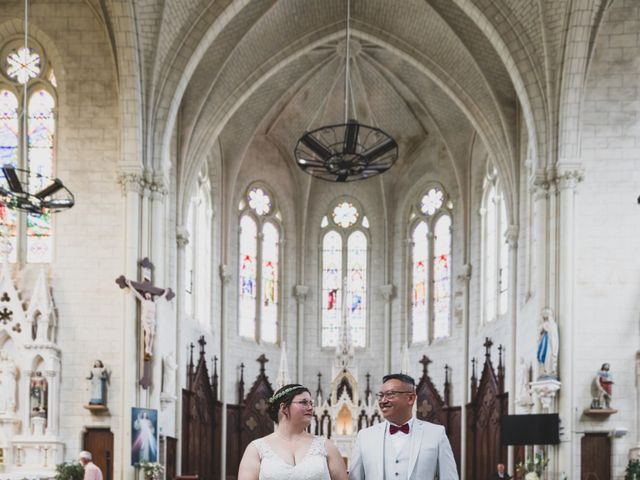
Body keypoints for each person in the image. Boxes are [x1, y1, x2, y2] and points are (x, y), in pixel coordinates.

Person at [349, 373, 458, 480]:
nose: (383, 401)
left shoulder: (436, 435)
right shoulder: (365, 436)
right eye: (381, 395)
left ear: (410, 398)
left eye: (390, 394)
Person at [238, 383, 348, 480]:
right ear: (284, 408)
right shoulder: (256, 449)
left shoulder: (326, 446)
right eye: (304, 402)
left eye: (311, 403)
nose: (310, 408)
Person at [126, 279, 169, 358]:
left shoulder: (154, 302)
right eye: (146, 294)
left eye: (148, 294)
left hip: (152, 321)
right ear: (145, 296)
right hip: (145, 320)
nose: (147, 295)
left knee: (152, 334)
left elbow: (161, 298)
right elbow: (136, 293)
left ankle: (149, 349)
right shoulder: (143, 301)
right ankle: (146, 347)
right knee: (148, 332)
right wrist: (130, 285)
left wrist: (165, 292)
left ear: (150, 295)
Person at [536, 307, 559, 379]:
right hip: (543, 342)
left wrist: (546, 329)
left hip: (549, 344)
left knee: (548, 356)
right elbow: (538, 335)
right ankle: (545, 371)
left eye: (546, 315)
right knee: (543, 356)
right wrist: (541, 332)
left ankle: (550, 371)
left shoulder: (552, 324)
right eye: (543, 315)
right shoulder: (542, 325)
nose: (544, 317)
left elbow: (553, 335)